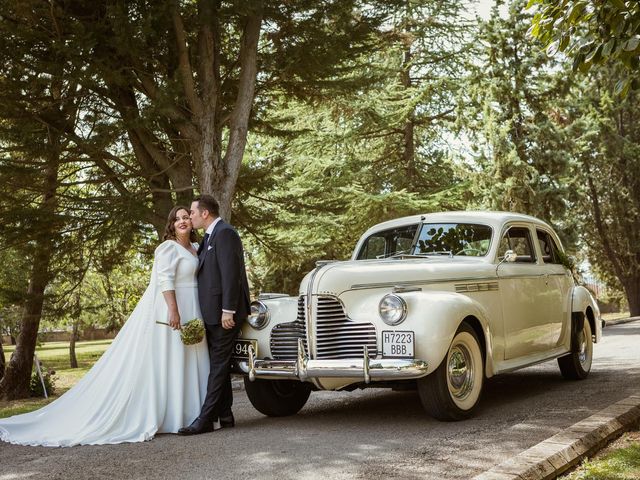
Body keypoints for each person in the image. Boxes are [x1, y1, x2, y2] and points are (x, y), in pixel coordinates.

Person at [0, 206, 210, 446]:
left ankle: (192, 413)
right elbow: (164, 279)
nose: (182, 221)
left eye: (186, 217)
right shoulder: (167, 248)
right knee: (171, 360)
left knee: (188, 358)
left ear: (192, 222)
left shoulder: (195, 248)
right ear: (171, 225)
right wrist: (173, 309)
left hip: (194, 307)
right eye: (177, 219)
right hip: (174, 307)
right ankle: (171, 417)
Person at [178, 195, 250, 435]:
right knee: (218, 364)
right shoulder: (209, 236)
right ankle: (225, 415)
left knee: (218, 366)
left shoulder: (225, 233)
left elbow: (232, 274)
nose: (191, 216)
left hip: (224, 314)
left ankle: (205, 420)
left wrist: (228, 310)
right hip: (212, 314)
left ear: (205, 213)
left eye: (193, 212)